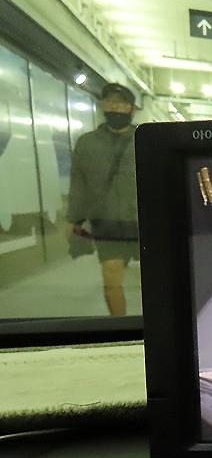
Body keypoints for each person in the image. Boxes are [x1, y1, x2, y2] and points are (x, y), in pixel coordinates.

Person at [66, 83, 139, 316]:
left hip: (144, 220)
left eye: (121, 103)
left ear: (131, 108)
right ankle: (121, 328)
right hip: (107, 221)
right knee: (111, 278)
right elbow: (78, 183)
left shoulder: (145, 138)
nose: (114, 107)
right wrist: (74, 219)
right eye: (109, 102)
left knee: (159, 278)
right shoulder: (87, 143)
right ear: (102, 106)